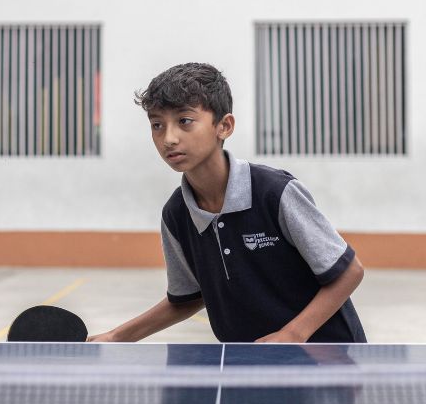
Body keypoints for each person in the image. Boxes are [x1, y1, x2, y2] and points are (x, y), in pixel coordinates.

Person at [89, 63, 366, 343]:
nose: (168, 139)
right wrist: (116, 336)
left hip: (329, 357)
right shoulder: (176, 214)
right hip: (248, 360)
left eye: (185, 121)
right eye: (157, 125)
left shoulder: (275, 192)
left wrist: (293, 334)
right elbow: (187, 297)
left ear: (224, 126)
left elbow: (349, 271)